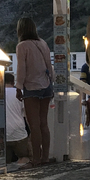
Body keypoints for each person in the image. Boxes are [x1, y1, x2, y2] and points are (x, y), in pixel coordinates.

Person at [15, 17, 54, 166]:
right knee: (44, 123)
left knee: (34, 125)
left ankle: (36, 159)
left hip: (31, 87)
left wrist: (18, 87)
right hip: (46, 86)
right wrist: (51, 83)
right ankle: (45, 157)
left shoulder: (22, 46)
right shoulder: (43, 43)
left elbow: (21, 69)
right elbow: (49, 66)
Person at [4, 72, 32, 168]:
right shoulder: (20, 93)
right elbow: (27, 115)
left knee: (4, 162)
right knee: (25, 157)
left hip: (2, 133)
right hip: (19, 132)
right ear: (13, 82)